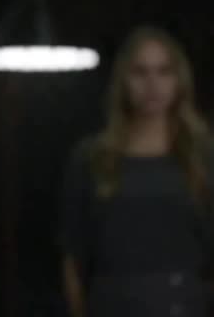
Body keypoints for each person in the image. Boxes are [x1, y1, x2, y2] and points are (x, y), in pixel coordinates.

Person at [61, 27, 214, 317]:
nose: (152, 84)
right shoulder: (92, 158)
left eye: (163, 71)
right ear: (124, 80)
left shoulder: (204, 156)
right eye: (140, 72)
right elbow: (73, 254)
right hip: (110, 303)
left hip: (186, 302)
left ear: (179, 79)